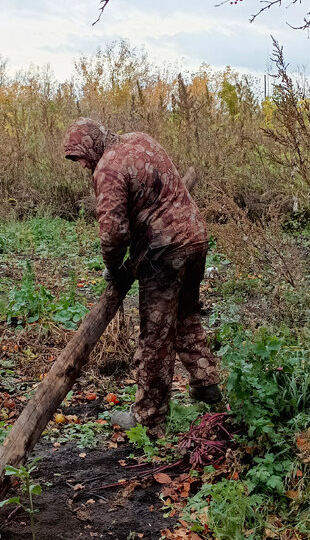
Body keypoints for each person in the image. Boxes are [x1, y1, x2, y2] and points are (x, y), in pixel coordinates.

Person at [62, 117, 222, 429]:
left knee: (155, 337)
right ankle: (207, 382)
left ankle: (149, 419)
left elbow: (113, 232)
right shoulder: (141, 139)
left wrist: (112, 268)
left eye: (80, 157)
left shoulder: (107, 168)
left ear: (91, 145)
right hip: (196, 238)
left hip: (164, 253)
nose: (82, 166)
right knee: (185, 315)